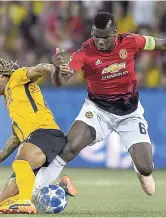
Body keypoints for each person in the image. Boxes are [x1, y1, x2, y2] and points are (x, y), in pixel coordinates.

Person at [33, 12, 166, 197]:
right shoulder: (84, 52)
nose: (100, 41)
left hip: (130, 114)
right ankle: (31, 191)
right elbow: (60, 82)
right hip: (98, 110)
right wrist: (56, 70)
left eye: (105, 37)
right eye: (96, 36)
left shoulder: (132, 41)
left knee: (146, 168)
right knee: (68, 149)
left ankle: (141, 170)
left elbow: (161, 43)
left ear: (115, 33)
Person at [0, 58, 77, 214]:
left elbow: (38, 69)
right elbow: (15, 138)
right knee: (2, 203)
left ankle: (25, 202)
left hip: (47, 133)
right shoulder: (9, 101)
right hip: (34, 142)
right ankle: (61, 189)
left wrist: (54, 68)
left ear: (0, 75)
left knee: (21, 161)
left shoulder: (17, 77)